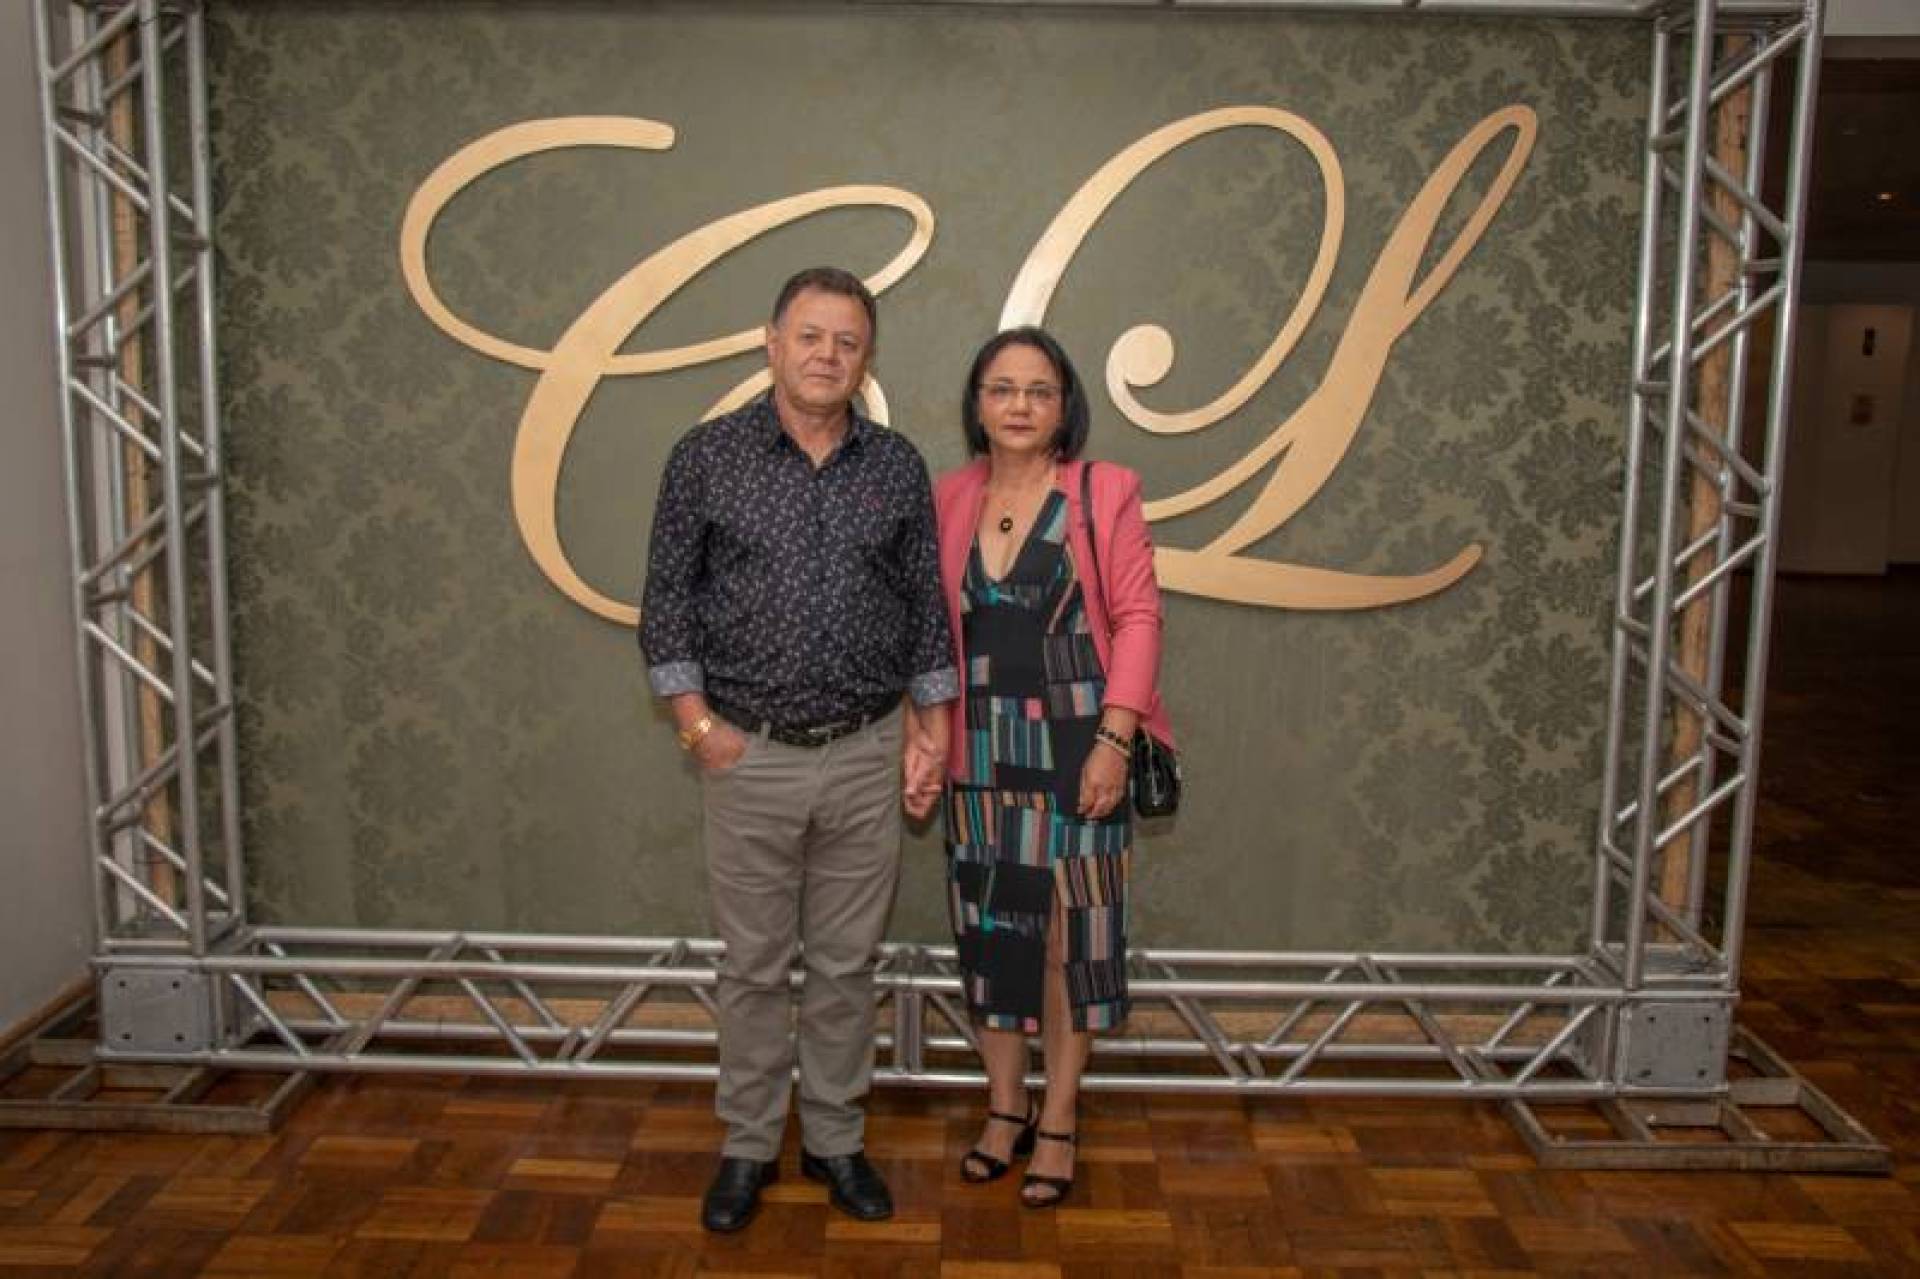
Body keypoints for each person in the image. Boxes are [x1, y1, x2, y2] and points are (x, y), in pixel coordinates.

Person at [639, 267, 956, 1233]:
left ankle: (833, 1138)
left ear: (867, 358)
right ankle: (747, 1144)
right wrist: (700, 728)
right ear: (770, 343)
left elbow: (926, 611)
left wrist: (931, 729)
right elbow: (667, 604)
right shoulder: (705, 458)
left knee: (847, 965)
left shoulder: (895, 466)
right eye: (810, 336)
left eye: (847, 341)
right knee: (753, 967)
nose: (828, 355)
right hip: (750, 756)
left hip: (865, 751)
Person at [907, 326, 1173, 1208]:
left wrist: (1115, 739)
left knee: (1071, 943)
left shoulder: (1104, 490)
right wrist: (927, 735)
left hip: (1079, 751)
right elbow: (930, 636)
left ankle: (1058, 1115)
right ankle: (1004, 1107)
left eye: (1039, 390)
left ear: (1065, 408)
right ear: (978, 405)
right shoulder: (949, 497)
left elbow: (1138, 618)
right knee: (993, 935)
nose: (1019, 405)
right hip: (980, 754)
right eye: (1002, 389)